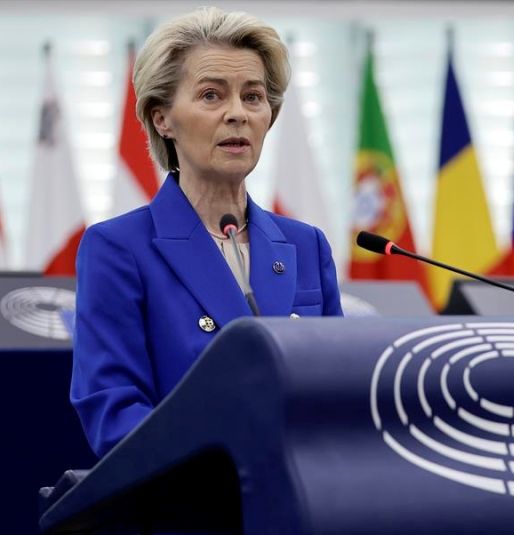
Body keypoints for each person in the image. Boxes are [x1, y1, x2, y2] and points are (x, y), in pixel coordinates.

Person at [71, 7, 343, 458]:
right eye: (212, 96)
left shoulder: (305, 245)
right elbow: (114, 416)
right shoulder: (118, 249)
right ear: (163, 118)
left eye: (253, 97)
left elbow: (339, 390)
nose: (237, 114)